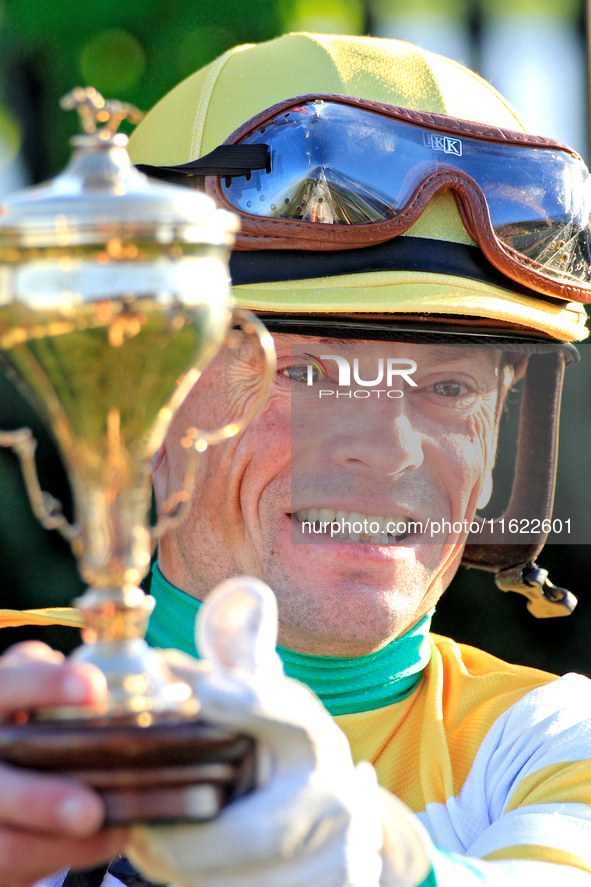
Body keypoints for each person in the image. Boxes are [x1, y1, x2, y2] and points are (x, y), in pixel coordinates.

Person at [1, 32, 591, 887]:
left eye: (451, 389)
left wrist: (361, 859)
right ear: (140, 397)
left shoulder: (552, 738)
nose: (388, 448)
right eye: (308, 373)